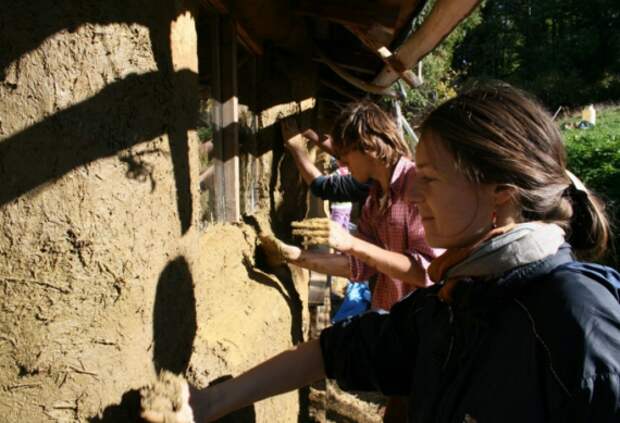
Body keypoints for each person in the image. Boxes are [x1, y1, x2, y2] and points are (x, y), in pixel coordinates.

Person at [142, 83, 620, 423]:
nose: (416, 196)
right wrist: (203, 405)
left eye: (430, 180)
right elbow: (334, 351)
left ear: (500, 190)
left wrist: (350, 244)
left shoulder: (576, 315)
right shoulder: (453, 304)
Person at [274, 101, 437, 314]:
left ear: (368, 147)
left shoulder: (417, 188)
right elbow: (359, 265)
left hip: (423, 325)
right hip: (391, 320)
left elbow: (426, 272)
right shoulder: (374, 200)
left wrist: (350, 243)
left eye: (345, 153)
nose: (341, 161)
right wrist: (294, 255)